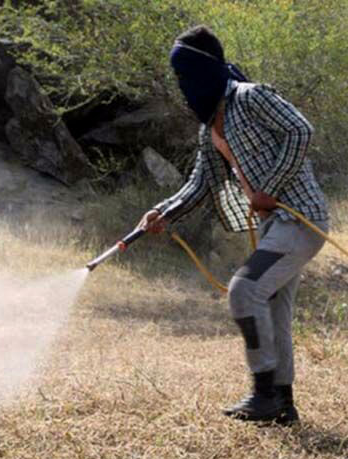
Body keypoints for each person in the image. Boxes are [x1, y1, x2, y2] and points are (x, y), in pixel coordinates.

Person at [136, 25, 329, 425]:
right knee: (274, 310)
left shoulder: (251, 96)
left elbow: (301, 130)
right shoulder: (210, 130)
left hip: (300, 218)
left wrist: (269, 189)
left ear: (206, 71)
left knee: (244, 290)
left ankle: (262, 395)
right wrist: (163, 213)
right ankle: (283, 404)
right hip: (277, 225)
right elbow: (201, 183)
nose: (182, 85)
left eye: (185, 75)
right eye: (178, 78)